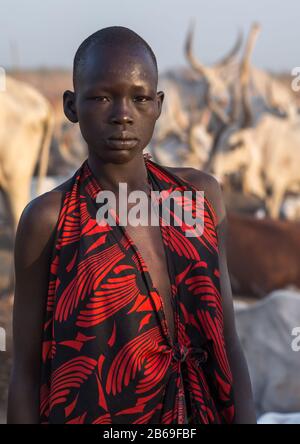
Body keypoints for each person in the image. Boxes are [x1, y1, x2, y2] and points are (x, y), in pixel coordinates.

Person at [7, 26, 256, 424]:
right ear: (71, 107)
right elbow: (25, 370)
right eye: (102, 97)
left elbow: (227, 337)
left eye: (139, 98)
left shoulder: (200, 197)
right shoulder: (49, 219)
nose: (123, 115)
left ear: (157, 105)